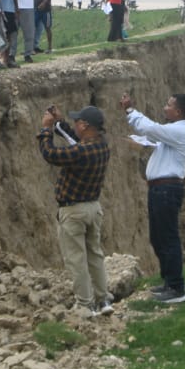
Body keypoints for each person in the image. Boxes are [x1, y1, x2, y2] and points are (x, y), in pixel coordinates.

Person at [37, 104, 114, 319]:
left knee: (76, 259)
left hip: (74, 211)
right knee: (95, 255)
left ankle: (85, 304)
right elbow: (77, 140)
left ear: (85, 125)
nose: (76, 125)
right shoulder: (101, 146)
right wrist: (60, 123)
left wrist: (46, 129)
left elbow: (50, 154)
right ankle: (103, 299)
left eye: (78, 122)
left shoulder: (81, 152)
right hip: (93, 208)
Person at [119, 91, 185, 303]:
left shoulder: (180, 131)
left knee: (168, 238)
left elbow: (150, 128)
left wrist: (130, 110)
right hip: (160, 190)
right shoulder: (173, 131)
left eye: (168, 105)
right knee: (158, 237)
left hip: (167, 190)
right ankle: (170, 282)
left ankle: (177, 288)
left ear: (178, 111)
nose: (164, 108)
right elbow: (153, 136)